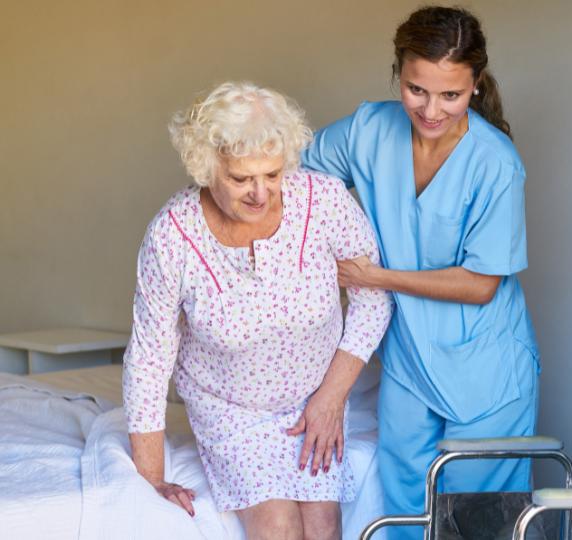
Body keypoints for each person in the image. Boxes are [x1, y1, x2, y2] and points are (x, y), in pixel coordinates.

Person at [301, 6, 539, 537]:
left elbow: (481, 285)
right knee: (406, 518)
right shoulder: (368, 130)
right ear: (398, 75)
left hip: (487, 372)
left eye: (450, 95)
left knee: (479, 525)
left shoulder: (495, 163)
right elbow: (298, 179)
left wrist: (375, 277)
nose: (431, 109)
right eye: (416, 90)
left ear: (475, 85)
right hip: (409, 362)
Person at [122, 81, 391, 540]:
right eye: (241, 179)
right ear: (207, 167)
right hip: (230, 407)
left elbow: (372, 298)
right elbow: (149, 359)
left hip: (316, 394)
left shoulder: (324, 201)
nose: (260, 193)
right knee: (279, 527)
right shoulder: (172, 235)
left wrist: (331, 398)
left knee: (323, 527)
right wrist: (153, 479)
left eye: (271, 174)